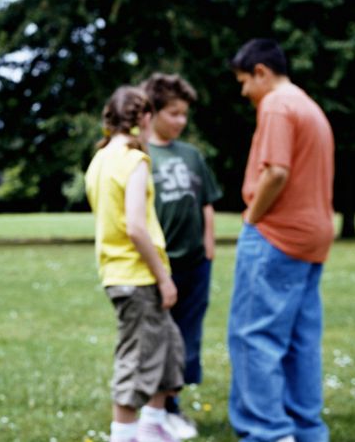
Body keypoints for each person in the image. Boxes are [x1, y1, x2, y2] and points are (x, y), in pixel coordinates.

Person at [226, 39, 335, 442]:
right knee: (299, 340)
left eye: (244, 81)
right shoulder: (309, 106)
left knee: (253, 336)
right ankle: (306, 430)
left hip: (277, 234)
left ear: (261, 72)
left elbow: (276, 172)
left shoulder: (276, 104)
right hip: (312, 236)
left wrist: (252, 217)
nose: (244, 92)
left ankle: (268, 432)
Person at [84, 86, 185, 442]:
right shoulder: (134, 160)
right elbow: (136, 228)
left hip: (120, 273)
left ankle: (152, 426)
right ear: (144, 118)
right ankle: (123, 435)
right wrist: (164, 278)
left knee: (167, 346)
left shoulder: (99, 160)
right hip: (137, 274)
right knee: (138, 360)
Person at [141, 73, 223, 440]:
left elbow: (206, 202)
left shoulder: (191, 155)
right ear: (153, 112)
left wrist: (209, 246)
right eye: (173, 113)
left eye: (184, 114)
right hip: (160, 267)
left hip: (195, 264)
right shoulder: (141, 155)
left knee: (188, 341)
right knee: (160, 340)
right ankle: (153, 411)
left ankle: (171, 407)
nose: (181, 121)